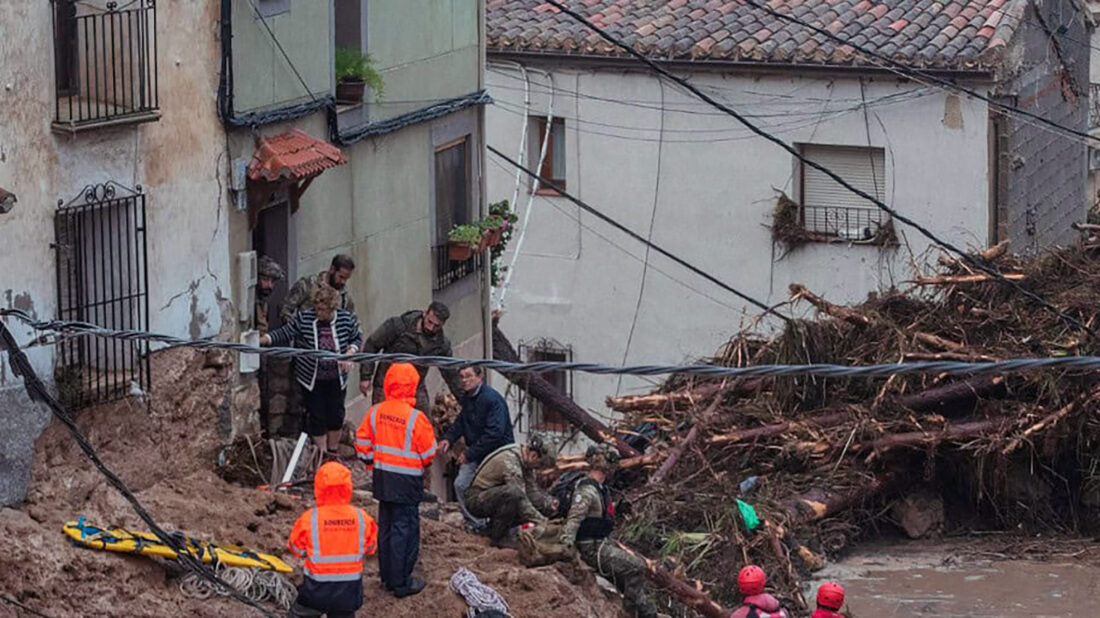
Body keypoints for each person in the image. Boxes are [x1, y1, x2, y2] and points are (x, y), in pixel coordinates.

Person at [354, 362, 437, 598]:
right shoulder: (415, 418)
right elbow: (429, 452)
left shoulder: (376, 412)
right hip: (408, 481)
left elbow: (361, 443)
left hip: (382, 478)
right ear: (412, 386)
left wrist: (371, 462)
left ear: (388, 383)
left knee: (387, 527)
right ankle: (401, 582)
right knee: (405, 530)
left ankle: (387, 578)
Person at [261, 285, 362, 456]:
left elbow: (357, 338)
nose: (319, 313)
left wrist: (349, 353)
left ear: (332, 309)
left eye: (323, 310)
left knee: (336, 415)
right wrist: (265, 339)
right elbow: (287, 332)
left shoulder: (346, 319)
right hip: (312, 378)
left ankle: (333, 451)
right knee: (317, 415)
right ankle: (321, 454)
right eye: (317, 309)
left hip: (336, 377)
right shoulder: (305, 319)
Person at [559, 445, 656, 618]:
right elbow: (574, 519)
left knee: (633, 579)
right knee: (636, 567)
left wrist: (618, 510)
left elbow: (599, 515)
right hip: (591, 548)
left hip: (602, 542)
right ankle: (628, 613)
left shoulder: (600, 488)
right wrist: (567, 546)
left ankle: (647, 612)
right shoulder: (587, 490)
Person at [286, 461, 377, 618]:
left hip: (316, 590)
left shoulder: (310, 518)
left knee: (299, 613)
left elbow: (296, 550)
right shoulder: (362, 518)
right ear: (348, 487)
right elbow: (370, 548)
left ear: (318, 488)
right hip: (349, 592)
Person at [439, 365, 515, 530]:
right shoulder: (468, 398)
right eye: (462, 377)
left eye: (468, 376)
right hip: (477, 453)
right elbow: (461, 421)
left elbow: (495, 433)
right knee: (461, 484)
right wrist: (448, 439)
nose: (464, 381)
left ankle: (503, 527)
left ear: (479, 377)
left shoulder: (492, 400)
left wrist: (469, 453)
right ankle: (476, 523)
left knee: (499, 491)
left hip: (497, 454)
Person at [358, 301, 461, 412]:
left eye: (436, 326)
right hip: (387, 384)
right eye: (429, 322)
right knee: (384, 421)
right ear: (425, 313)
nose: (431, 328)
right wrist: (365, 376)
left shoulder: (441, 344)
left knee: (423, 423)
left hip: (416, 388)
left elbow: (450, 373)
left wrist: (464, 399)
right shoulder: (398, 326)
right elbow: (372, 344)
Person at [463, 436, 557, 545]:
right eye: (539, 465)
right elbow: (520, 498)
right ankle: (498, 537)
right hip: (475, 498)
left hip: (492, 496)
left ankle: (491, 531)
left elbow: (532, 493)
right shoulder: (510, 459)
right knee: (514, 495)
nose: (537, 469)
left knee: (524, 501)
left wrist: (549, 504)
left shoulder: (525, 462)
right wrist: (543, 522)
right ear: (533, 456)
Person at [281, 254, 356, 323]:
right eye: (341, 277)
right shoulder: (308, 284)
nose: (343, 282)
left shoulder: (345, 296)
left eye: (346, 279)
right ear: (332, 269)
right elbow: (285, 310)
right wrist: (298, 329)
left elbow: (352, 321)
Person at [255, 255, 285, 336]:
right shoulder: (253, 301)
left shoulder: (264, 300)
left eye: (273, 281)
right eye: (265, 280)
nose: (270, 285)